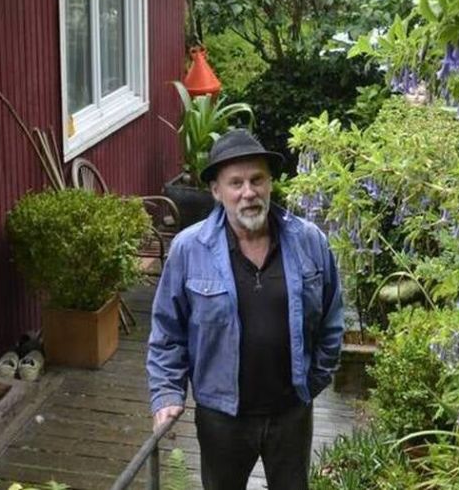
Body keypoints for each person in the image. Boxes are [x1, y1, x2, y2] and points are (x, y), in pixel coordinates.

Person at [147, 129, 344, 489]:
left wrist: (315, 380)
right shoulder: (188, 250)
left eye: (257, 180)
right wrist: (166, 394)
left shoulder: (309, 241)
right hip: (222, 417)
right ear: (216, 191)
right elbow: (166, 333)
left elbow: (333, 318)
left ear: (270, 184)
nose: (248, 192)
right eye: (235, 183)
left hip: (291, 413)